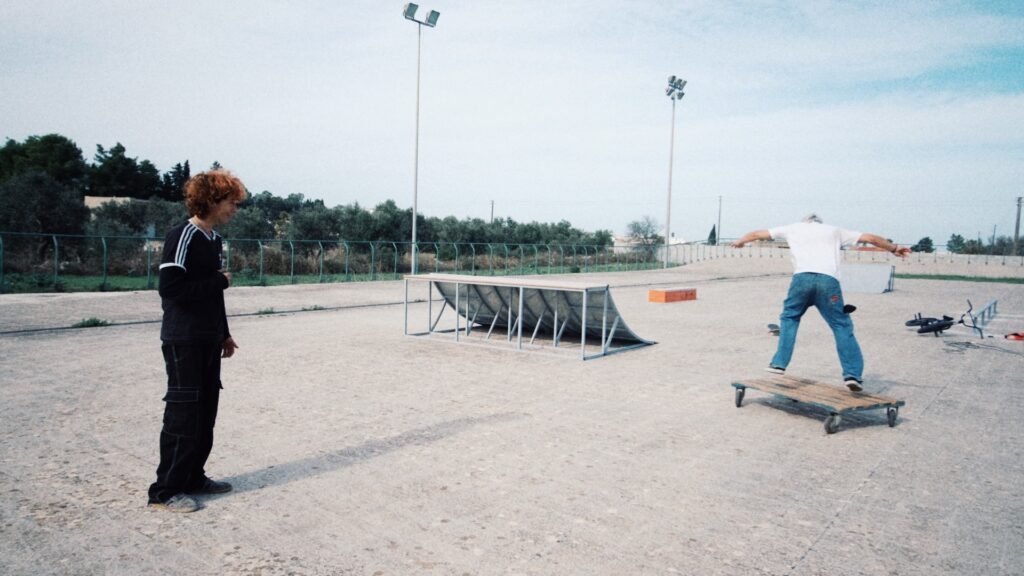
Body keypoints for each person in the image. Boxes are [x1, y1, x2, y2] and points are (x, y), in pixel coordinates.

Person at [148, 169, 246, 513]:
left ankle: (193, 477)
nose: (236, 207)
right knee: (182, 415)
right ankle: (164, 491)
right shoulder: (183, 235)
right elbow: (171, 289)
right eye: (231, 201)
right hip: (183, 339)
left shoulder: (212, 239)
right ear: (211, 200)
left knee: (205, 414)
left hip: (206, 340)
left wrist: (223, 332)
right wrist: (219, 282)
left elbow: (213, 294)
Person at [731, 214, 911, 392]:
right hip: (828, 282)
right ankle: (852, 375)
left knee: (790, 318)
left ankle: (779, 363)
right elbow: (871, 238)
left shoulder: (793, 228)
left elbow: (756, 234)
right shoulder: (834, 231)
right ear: (819, 223)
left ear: (805, 222)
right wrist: (894, 248)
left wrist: (740, 242)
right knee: (841, 325)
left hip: (801, 280)